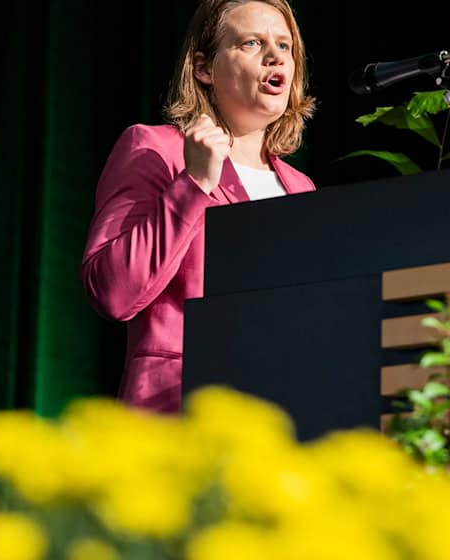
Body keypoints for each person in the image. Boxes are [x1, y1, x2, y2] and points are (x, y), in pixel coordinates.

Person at [81, 0, 316, 413]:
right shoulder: (154, 150)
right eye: (251, 43)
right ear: (205, 68)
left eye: (285, 45)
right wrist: (194, 184)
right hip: (178, 413)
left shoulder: (302, 189)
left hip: (278, 423)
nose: (276, 55)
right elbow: (112, 293)